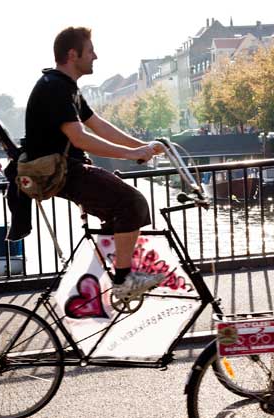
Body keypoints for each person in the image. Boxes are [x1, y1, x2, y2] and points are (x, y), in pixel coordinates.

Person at [25, 26, 166, 300]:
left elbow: (98, 125)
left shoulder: (67, 88)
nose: (96, 56)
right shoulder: (55, 88)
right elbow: (80, 138)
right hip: (63, 172)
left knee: (117, 210)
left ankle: (99, 281)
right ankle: (123, 281)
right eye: (90, 51)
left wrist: (139, 147)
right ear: (72, 54)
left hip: (68, 169)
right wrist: (129, 154)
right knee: (132, 203)